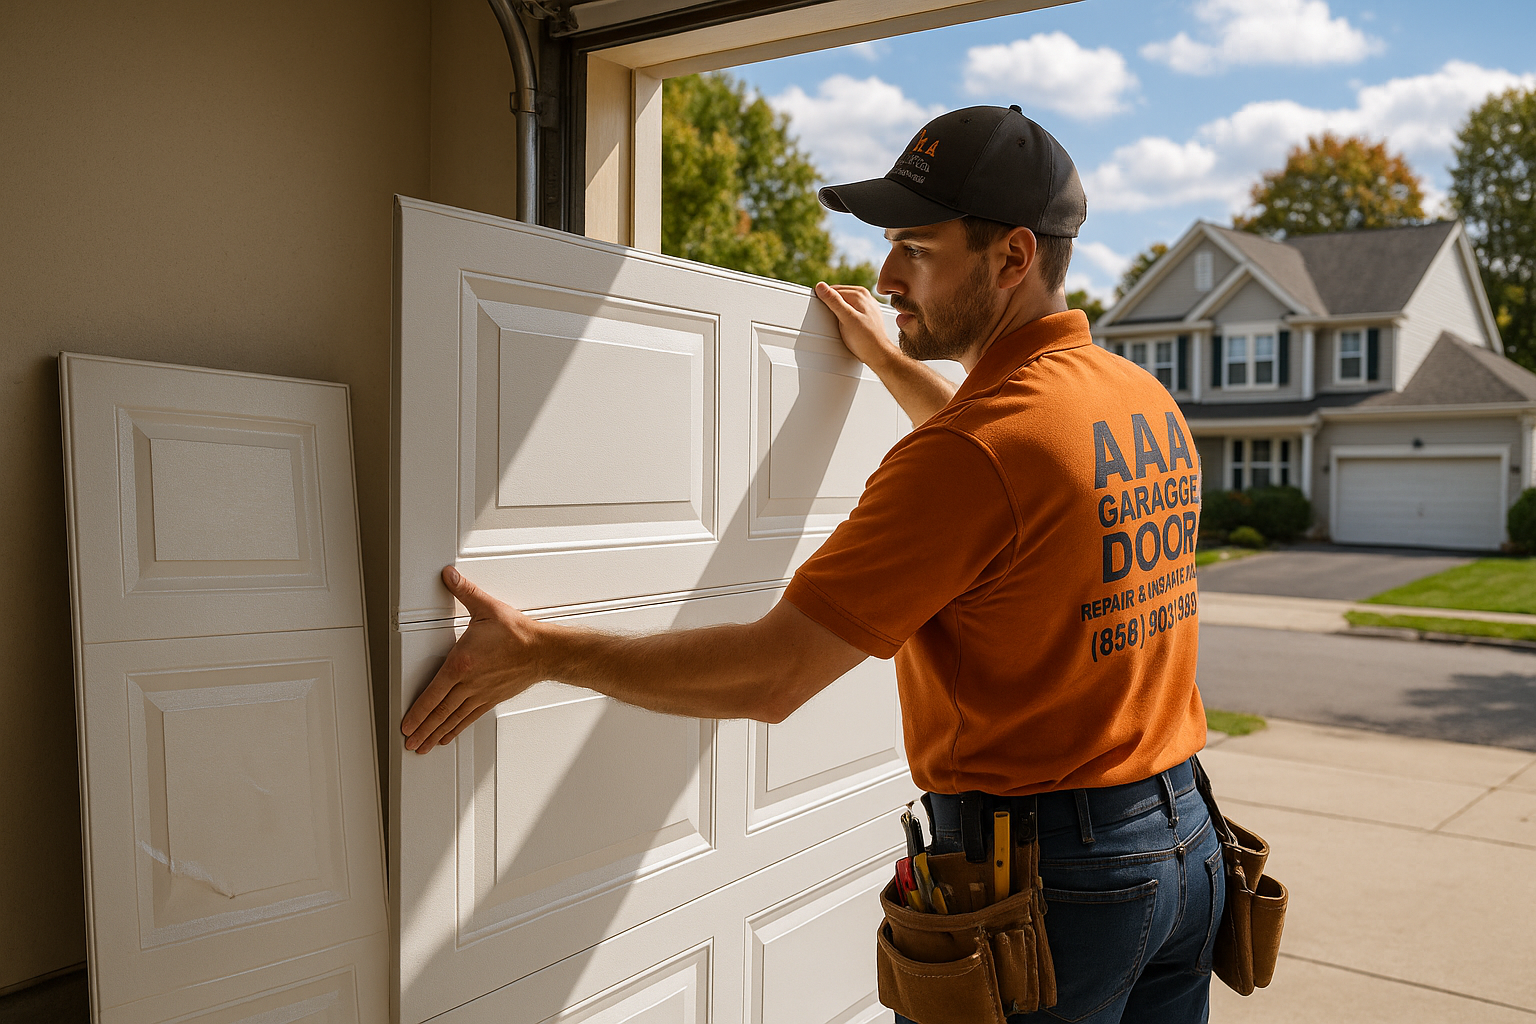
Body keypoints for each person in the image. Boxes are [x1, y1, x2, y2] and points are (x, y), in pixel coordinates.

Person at [402, 105, 1219, 1024]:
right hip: (1181, 844)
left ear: (1013, 259)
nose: (885, 276)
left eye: (916, 247)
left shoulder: (975, 453)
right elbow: (1003, 481)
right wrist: (887, 356)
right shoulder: (1133, 401)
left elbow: (773, 674)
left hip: (1048, 891)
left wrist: (544, 652)